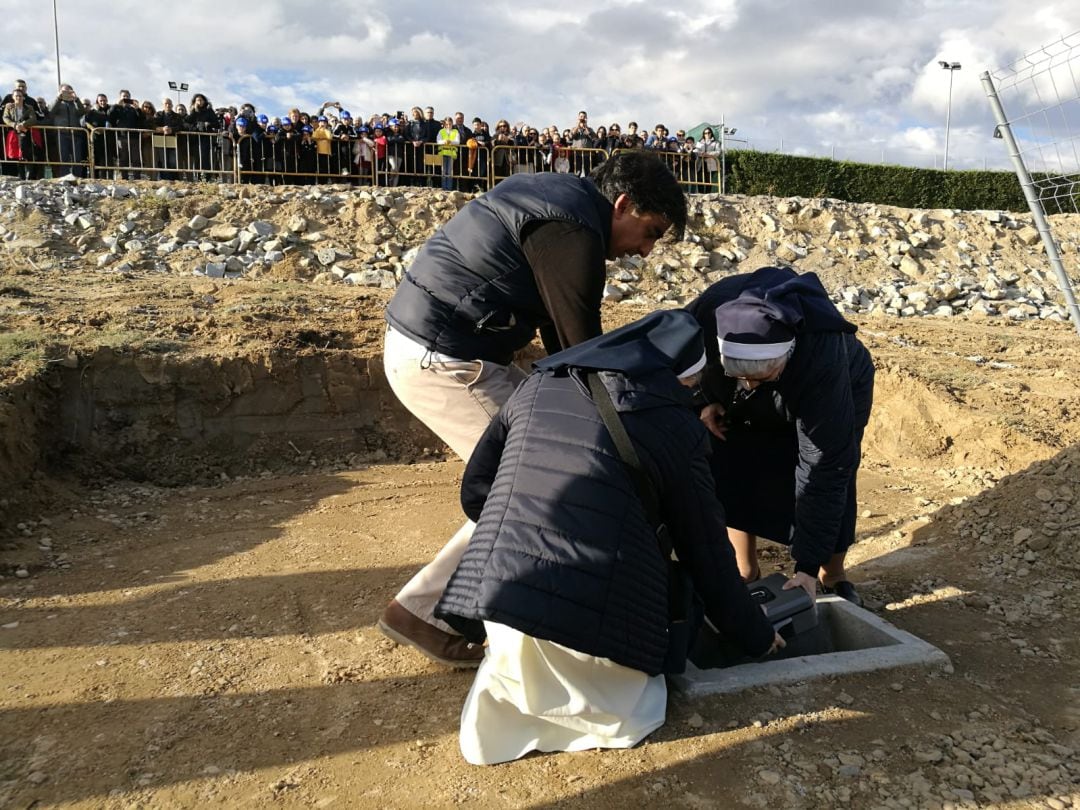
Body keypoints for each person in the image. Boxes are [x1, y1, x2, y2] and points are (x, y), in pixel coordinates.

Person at [377, 150, 688, 667]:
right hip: (443, 359)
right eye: (650, 231)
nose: (645, 251)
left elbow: (563, 344)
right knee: (536, 482)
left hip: (455, 350)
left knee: (554, 461)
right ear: (624, 203)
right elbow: (580, 345)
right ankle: (424, 612)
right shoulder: (570, 227)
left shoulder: (559, 204)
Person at [434, 310, 782, 765]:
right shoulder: (676, 429)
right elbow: (709, 557)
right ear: (677, 379)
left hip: (499, 598)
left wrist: (527, 535)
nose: (693, 396)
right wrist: (757, 636)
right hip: (593, 615)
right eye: (692, 386)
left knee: (521, 673)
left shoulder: (536, 388)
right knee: (632, 703)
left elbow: (477, 489)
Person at [684, 266, 875, 606]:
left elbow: (823, 467)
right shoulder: (711, 310)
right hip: (728, 389)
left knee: (834, 470)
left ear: (786, 352)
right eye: (743, 376)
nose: (752, 386)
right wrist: (704, 399)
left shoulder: (821, 358)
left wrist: (805, 565)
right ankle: (744, 570)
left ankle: (830, 575)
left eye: (762, 377)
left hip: (841, 384)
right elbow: (681, 361)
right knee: (734, 456)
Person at [436, 116, 460, 191]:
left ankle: (449, 189)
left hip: (451, 154)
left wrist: (451, 142)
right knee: (443, 172)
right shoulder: (441, 131)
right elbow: (438, 141)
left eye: (450, 124)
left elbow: (458, 142)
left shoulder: (455, 131)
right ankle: (444, 188)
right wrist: (444, 141)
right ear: (445, 124)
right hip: (443, 153)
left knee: (449, 172)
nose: (448, 125)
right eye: (447, 124)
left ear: (452, 124)